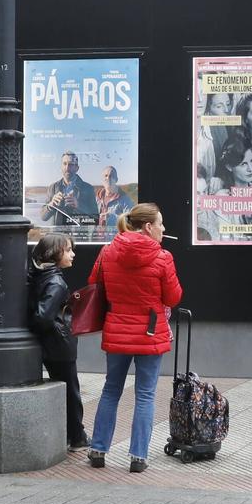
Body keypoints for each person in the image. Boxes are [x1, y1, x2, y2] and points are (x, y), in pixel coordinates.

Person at [85, 202, 182, 473]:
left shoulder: (107, 252)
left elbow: (95, 284)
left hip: (117, 331)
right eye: (161, 223)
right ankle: (138, 456)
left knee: (111, 390)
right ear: (148, 227)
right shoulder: (163, 257)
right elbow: (173, 297)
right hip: (150, 334)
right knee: (146, 395)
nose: (164, 229)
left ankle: (98, 450)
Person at [27, 233, 87, 451]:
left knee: (67, 389)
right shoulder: (56, 282)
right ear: (55, 253)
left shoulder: (38, 275)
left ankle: (73, 434)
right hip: (59, 343)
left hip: (50, 342)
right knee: (71, 391)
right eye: (68, 250)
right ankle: (77, 436)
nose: (72, 254)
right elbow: (43, 317)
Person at [41, 151, 97, 229]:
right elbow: (43, 217)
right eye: (64, 164)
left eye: (71, 164)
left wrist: (78, 205)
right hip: (57, 237)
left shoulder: (88, 189)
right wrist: (51, 205)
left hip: (78, 238)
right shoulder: (53, 187)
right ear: (61, 167)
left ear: (77, 168)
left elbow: (95, 219)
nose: (67, 168)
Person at [93, 166, 133, 235]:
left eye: (111, 176)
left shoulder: (125, 199)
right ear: (102, 180)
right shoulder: (96, 198)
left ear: (116, 179)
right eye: (105, 176)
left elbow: (130, 222)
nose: (108, 178)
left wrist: (112, 217)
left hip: (115, 240)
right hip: (97, 239)